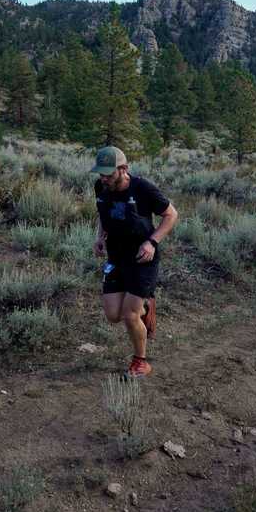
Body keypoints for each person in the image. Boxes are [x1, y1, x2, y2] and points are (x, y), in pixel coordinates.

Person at [91, 145, 178, 378]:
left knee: (130, 315)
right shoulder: (101, 186)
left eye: (109, 174)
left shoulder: (143, 189)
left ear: (124, 169)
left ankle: (141, 362)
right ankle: (146, 305)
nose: (104, 178)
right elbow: (102, 212)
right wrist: (100, 236)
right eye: (101, 173)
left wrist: (152, 242)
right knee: (112, 315)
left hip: (143, 258)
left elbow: (171, 215)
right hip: (116, 257)